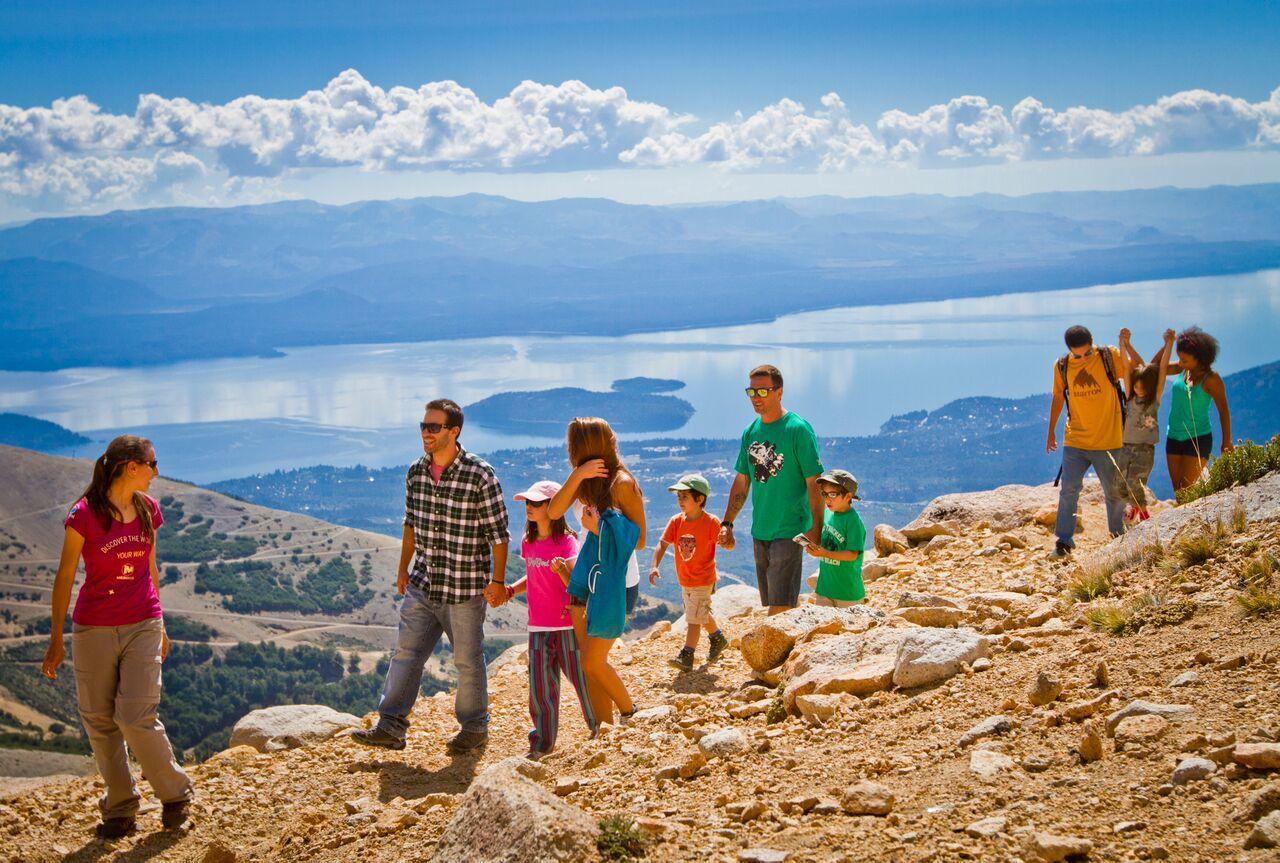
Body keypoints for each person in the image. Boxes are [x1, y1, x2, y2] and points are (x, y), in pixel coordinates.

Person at [40, 435, 193, 840]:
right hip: (93, 628)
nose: (157, 472)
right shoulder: (84, 515)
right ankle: (121, 808)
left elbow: (150, 568)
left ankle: (176, 796)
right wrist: (56, 638)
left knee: (134, 716)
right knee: (100, 721)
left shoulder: (147, 510)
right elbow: (65, 576)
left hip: (144, 620)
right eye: (152, 464)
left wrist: (163, 623)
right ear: (131, 467)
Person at [353, 399, 509, 754]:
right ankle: (391, 726)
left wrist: (497, 582)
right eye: (423, 426)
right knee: (406, 654)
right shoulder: (416, 472)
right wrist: (402, 568)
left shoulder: (480, 475)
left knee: (467, 661)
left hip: (464, 587)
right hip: (424, 583)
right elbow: (410, 524)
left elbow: (499, 536)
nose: (426, 433)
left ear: (453, 432)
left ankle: (474, 728)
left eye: (434, 427)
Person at [488, 480, 596, 759]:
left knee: (581, 680)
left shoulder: (567, 541)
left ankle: (599, 728)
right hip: (538, 626)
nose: (529, 508)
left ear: (553, 508)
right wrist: (511, 590)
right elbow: (533, 575)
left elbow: (575, 583)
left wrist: (560, 571)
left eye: (536, 503)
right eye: (527, 502)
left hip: (565, 625)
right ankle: (542, 744)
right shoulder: (528, 541)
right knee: (540, 688)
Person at [548, 417, 645, 725]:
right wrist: (577, 475)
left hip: (617, 584)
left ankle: (631, 713)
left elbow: (640, 541)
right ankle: (603, 729)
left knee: (592, 662)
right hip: (591, 581)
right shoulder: (585, 480)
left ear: (580, 446)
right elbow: (554, 511)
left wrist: (597, 529)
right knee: (589, 664)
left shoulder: (623, 484)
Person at [718, 365, 824, 615]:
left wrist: (816, 528)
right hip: (761, 528)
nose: (756, 397)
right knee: (775, 601)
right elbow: (743, 480)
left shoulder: (798, 429)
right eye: (752, 391)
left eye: (763, 391)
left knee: (780, 605)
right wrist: (728, 523)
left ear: (779, 392)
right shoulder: (751, 432)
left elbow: (814, 482)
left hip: (790, 528)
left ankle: (776, 653)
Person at [1046, 325, 1130, 557]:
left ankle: (1118, 538)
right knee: (1069, 490)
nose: (1082, 359)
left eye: (1086, 353)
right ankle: (1063, 542)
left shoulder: (1108, 356)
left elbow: (1132, 374)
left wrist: (1124, 346)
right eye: (1077, 355)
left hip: (1110, 439)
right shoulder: (1062, 366)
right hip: (1076, 438)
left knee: (1113, 492)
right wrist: (1051, 431)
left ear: (1093, 344)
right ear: (1069, 351)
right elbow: (1057, 397)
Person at [649, 474, 728, 672]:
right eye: (679, 497)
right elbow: (663, 543)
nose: (680, 501)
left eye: (685, 497)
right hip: (686, 579)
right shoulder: (676, 521)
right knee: (699, 612)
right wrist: (654, 565)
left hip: (703, 578)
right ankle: (718, 638)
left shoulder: (711, 522)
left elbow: (726, 543)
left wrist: (729, 540)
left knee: (693, 618)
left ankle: (687, 655)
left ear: (700, 499)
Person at [1164, 326, 1233, 492]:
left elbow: (1223, 411)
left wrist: (1226, 441)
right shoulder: (1183, 369)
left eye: (1185, 360)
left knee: (1187, 488)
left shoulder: (1212, 380)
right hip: (1173, 436)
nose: (1180, 363)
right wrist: (1167, 345)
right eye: (1179, 359)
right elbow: (1156, 368)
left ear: (1200, 359)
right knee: (1178, 491)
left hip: (1198, 437)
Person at [1117, 327, 1175, 521]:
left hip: (1144, 449)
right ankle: (1135, 507)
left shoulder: (1154, 401)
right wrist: (1123, 344)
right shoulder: (1130, 398)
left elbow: (1162, 367)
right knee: (1120, 484)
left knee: (1134, 481)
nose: (1138, 389)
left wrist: (1169, 344)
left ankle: (1143, 513)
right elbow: (1128, 367)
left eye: (1142, 387)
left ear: (1149, 387)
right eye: (1136, 385)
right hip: (1126, 446)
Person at [805, 469, 868, 607]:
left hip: (847, 594)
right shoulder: (828, 514)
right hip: (824, 590)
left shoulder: (853, 522)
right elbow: (826, 541)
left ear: (848, 496)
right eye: (824, 494)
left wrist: (824, 553)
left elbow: (852, 555)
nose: (827, 499)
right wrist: (812, 546)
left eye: (833, 494)